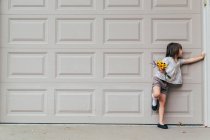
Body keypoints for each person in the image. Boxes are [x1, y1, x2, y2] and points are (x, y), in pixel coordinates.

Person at [151, 42, 205, 129]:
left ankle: (160, 122)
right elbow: (161, 67)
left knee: (162, 103)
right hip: (158, 79)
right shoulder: (167, 59)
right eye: (180, 49)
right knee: (157, 94)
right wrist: (161, 69)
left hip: (166, 84)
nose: (182, 51)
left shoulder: (179, 62)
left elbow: (189, 60)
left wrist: (201, 57)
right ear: (175, 50)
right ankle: (154, 99)